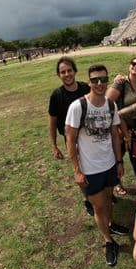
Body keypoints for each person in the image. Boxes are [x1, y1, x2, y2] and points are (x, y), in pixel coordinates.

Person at [65, 64, 125, 266]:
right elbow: (70, 139)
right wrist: (77, 170)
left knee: (108, 199)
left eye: (103, 79)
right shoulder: (78, 106)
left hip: (109, 163)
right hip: (90, 168)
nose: (100, 83)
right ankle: (108, 241)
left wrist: (118, 161)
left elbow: (116, 136)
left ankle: (110, 224)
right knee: (98, 206)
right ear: (89, 82)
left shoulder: (110, 105)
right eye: (95, 80)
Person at [48, 57, 93, 215]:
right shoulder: (57, 96)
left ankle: (103, 194)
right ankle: (88, 199)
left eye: (69, 70)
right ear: (59, 75)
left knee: (95, 166)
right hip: (71, 139)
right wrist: (54, 145)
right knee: (80, 171)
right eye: (63, 72)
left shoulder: (85, 88)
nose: (67, 74)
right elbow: (53, 122)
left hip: (89, 135)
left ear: (75, 71)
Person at [106, 57, 136, 195]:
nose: (135, 66)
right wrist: (118, 127)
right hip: (120, 127)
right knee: (118, 156)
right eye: (133, 64)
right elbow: (107, 104)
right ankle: (117, 182)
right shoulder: (121, 83)